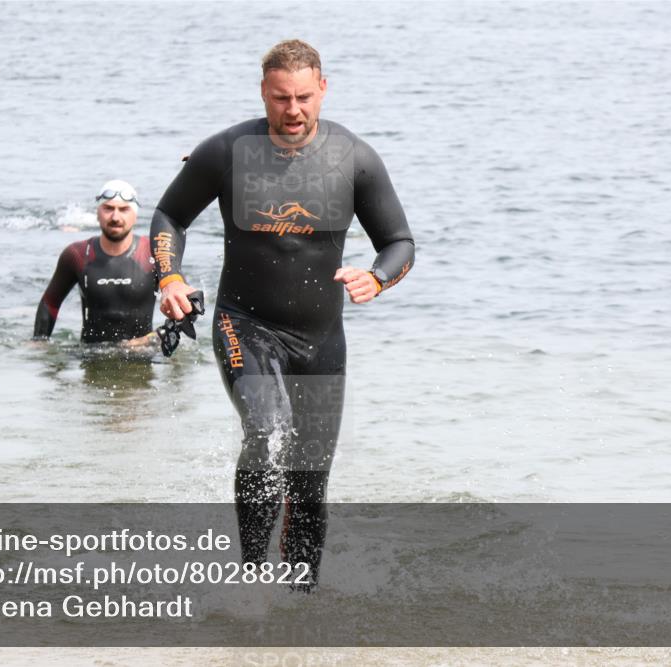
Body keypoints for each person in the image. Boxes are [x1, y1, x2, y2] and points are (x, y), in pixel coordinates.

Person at [150, 40, 415, 590]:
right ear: (263, 93)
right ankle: (252, 582)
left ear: (323, 89)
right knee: (266, 434)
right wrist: (169, 276)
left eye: (302, 97)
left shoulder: (354, 159)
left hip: (321, 339)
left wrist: (378, 277)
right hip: (245, 324)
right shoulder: (226, 152)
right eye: (280, 98)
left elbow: (399, 242)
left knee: (311, 479)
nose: (292, 110)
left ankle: (299, 597)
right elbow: (170, 215)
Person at [33, 180, 157, 345]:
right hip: (91, 356)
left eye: (124, 209)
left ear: (135, 215)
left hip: (143, 357)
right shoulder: (77, 254)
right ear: (97, 213)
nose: (115, 217)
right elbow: (50, 303)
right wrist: (39, 342)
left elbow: (185, 304)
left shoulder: (153, 253)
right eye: (108, 208)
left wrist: (153, 339)